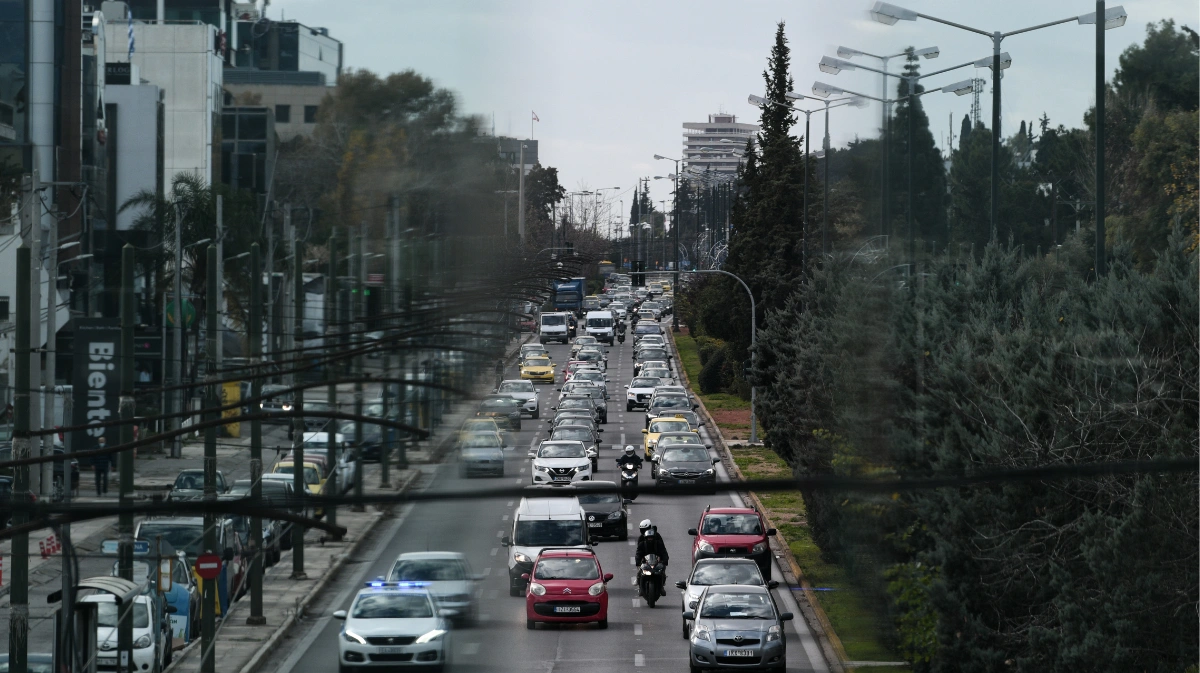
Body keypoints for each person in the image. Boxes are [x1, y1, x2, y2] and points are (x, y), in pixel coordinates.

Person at [634, 519, 670, 596]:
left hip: (656, 560)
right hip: (646, 560)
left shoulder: (658, 537)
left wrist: (664, 560)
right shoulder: (641, 539)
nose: (649, 539)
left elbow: (663, 550)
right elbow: (639, 552)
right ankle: (640, 584)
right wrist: (639, 560)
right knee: (640, 570)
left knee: (662, 570)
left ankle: (661, 585)